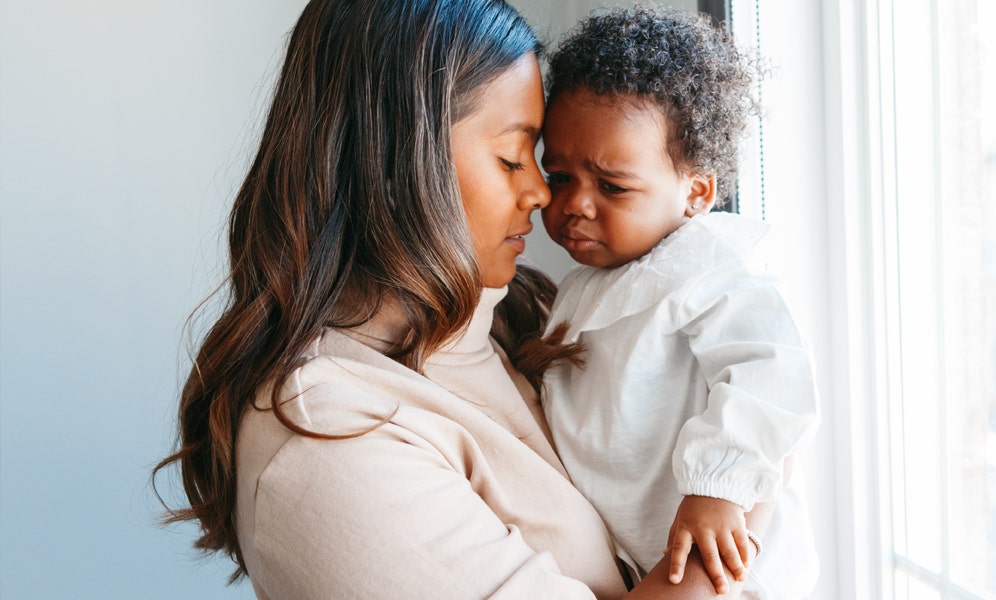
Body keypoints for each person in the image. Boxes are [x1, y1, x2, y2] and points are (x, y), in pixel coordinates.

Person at [154, 1, 764, 598]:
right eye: (514, 158)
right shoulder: (326, 440)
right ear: (396, 160)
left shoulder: (524, 323)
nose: (539, 195)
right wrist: (751, 495)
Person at [538, 7, 820, 599]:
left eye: (611, 186)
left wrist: (718, 486)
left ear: (695, 192)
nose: (575, 204)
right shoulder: (583, 286)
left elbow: (772, 370)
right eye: (559, 176)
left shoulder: (707, 265)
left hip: (724, 555)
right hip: (639, 555)